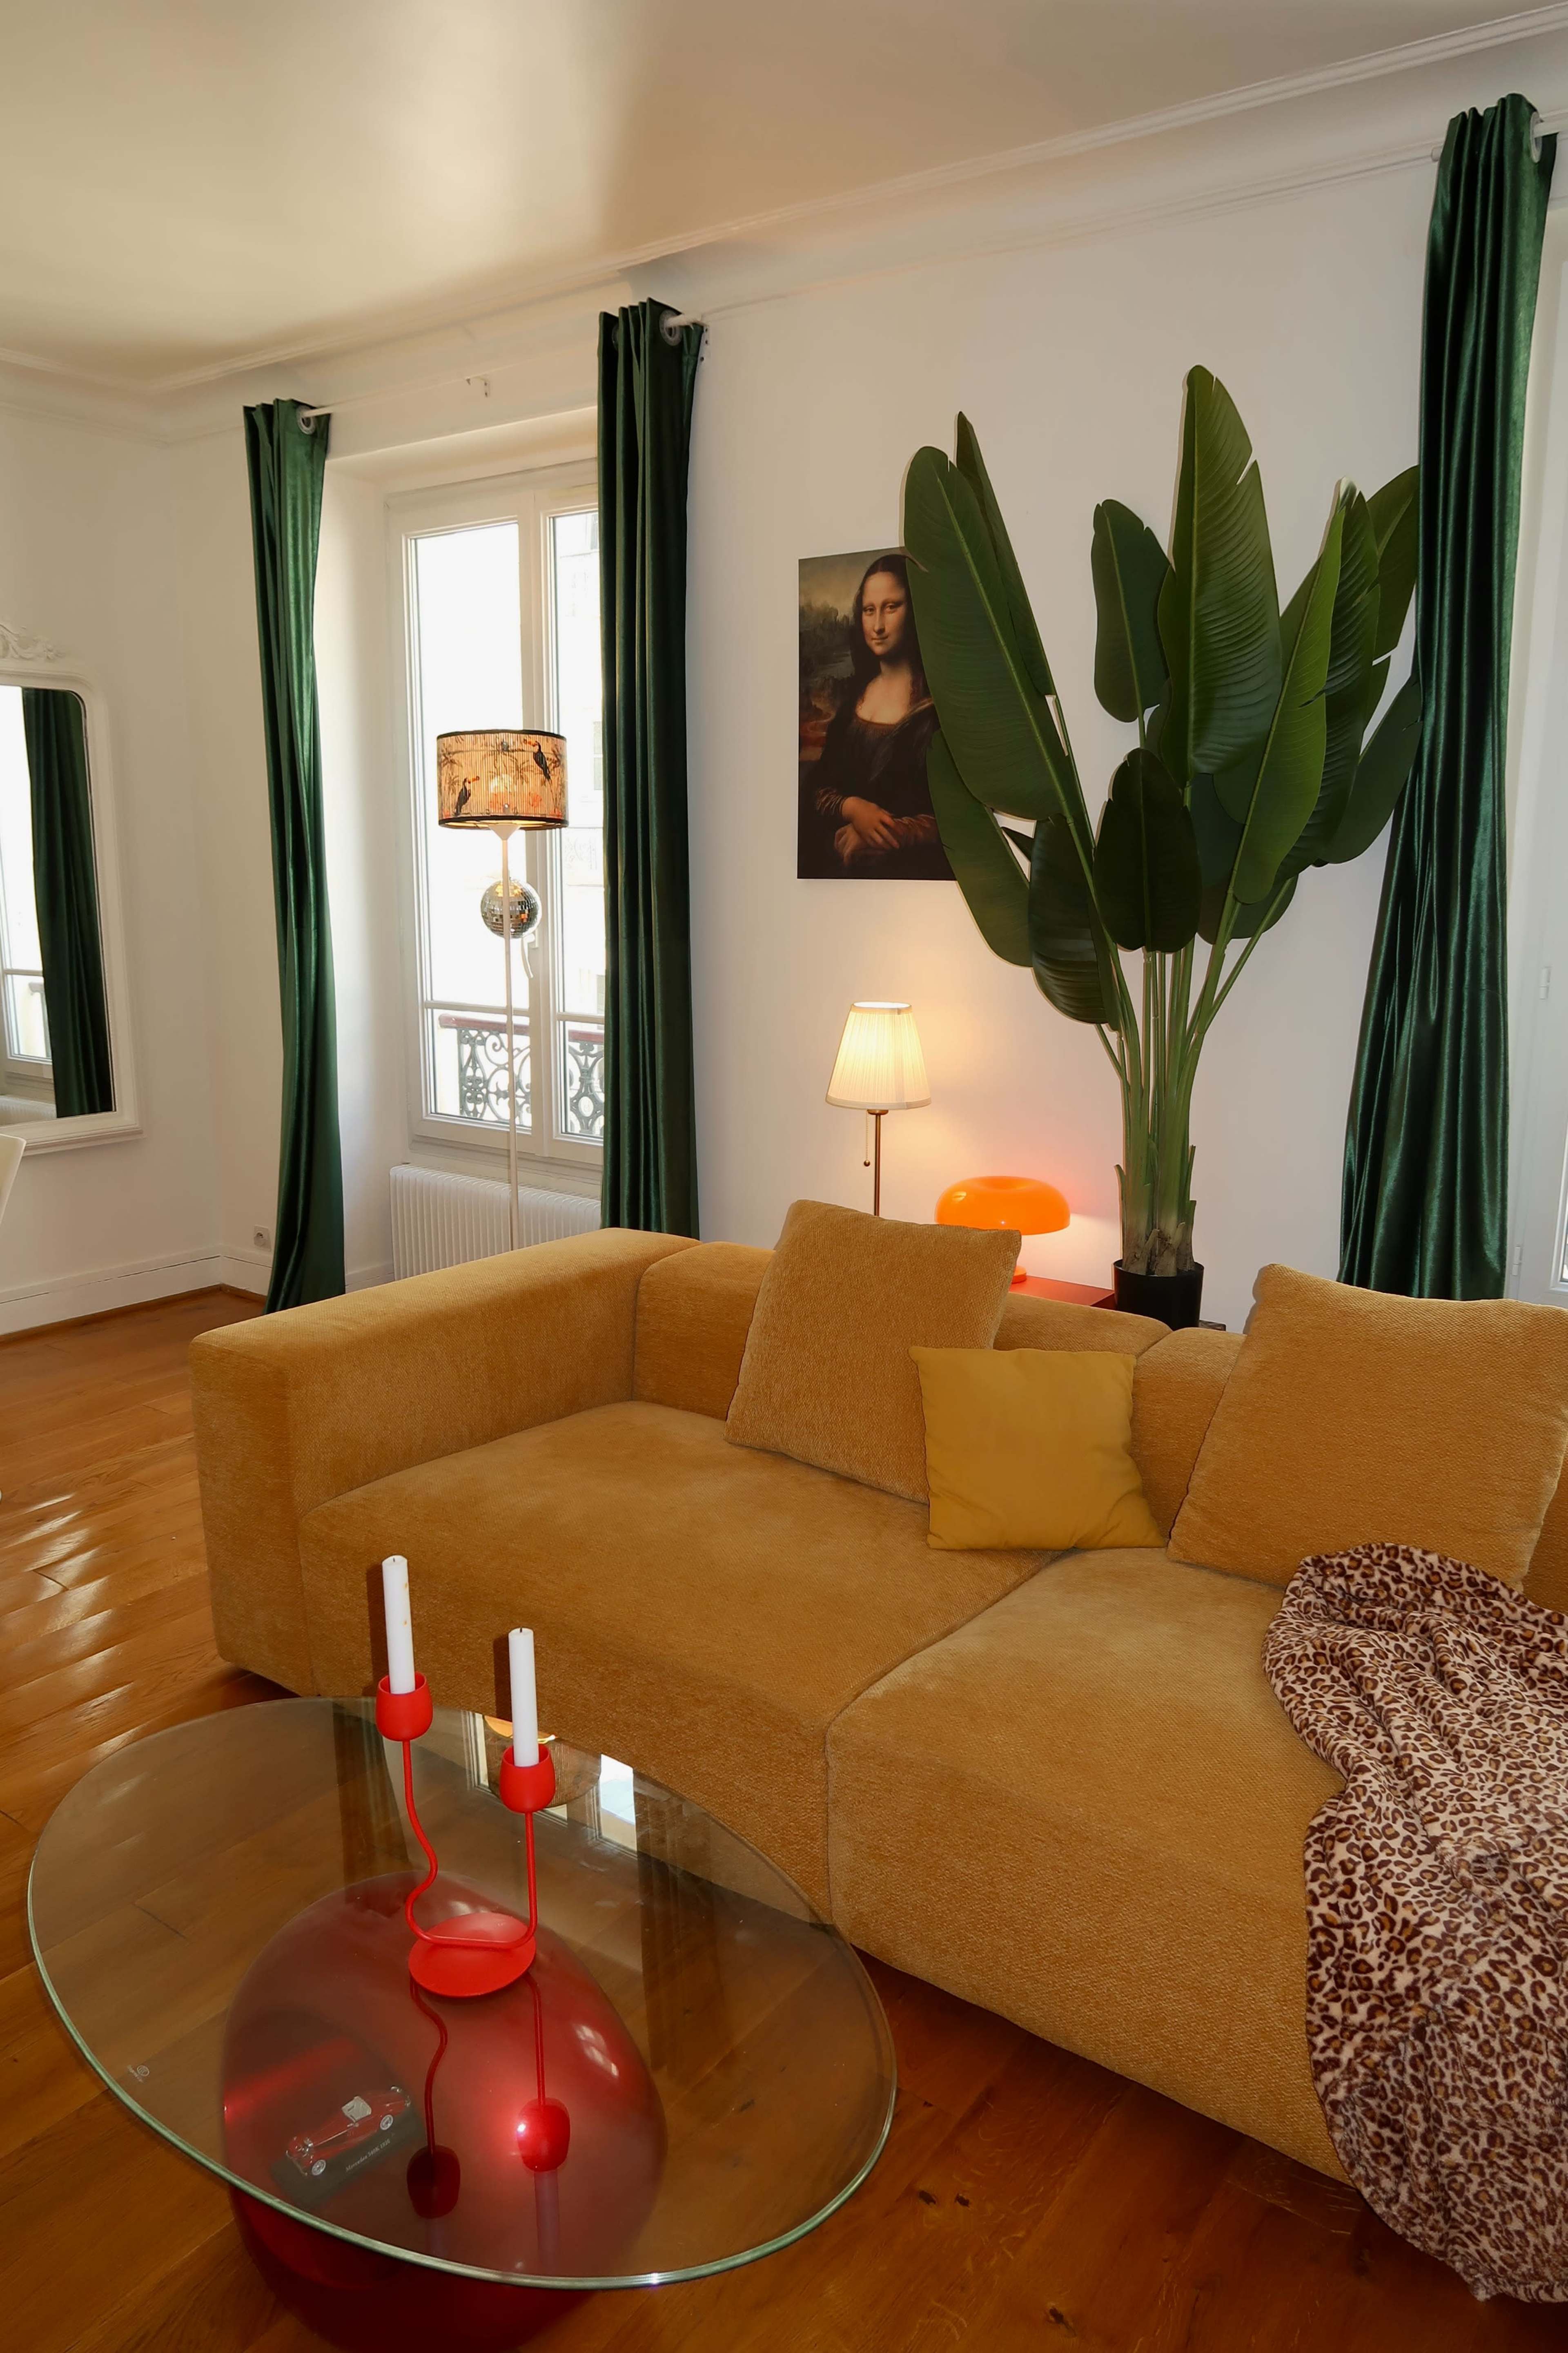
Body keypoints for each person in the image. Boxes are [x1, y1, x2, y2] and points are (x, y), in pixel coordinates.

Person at [798, 554, 950, 879]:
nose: (878, 625)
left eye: (891, 607)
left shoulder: (938, 710)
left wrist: (885, 834)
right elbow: (819, 788)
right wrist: (853, 808)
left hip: (913, 879)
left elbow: (955, 817)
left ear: (915, 610)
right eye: (870, 610)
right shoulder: (854, 700)